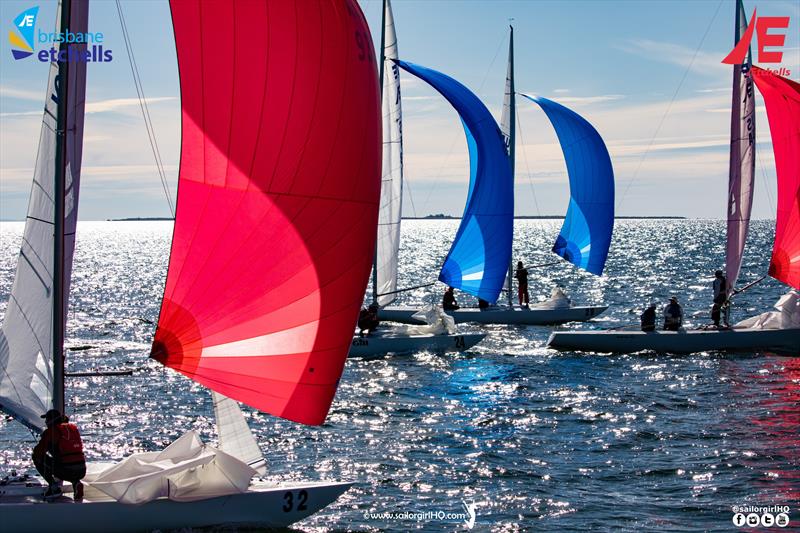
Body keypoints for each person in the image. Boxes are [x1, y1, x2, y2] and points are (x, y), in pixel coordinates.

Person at [32, 409, 86, 501]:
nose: (46, 422)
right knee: (68, 460)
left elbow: (38, 452)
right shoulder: (73, 428)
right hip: (81, 470)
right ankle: (76, 483)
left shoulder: (51, 432)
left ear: (51, 421)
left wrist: (46, 443)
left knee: (36, 457)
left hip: (67, 471)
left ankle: (54, 488)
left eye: (47, 420)